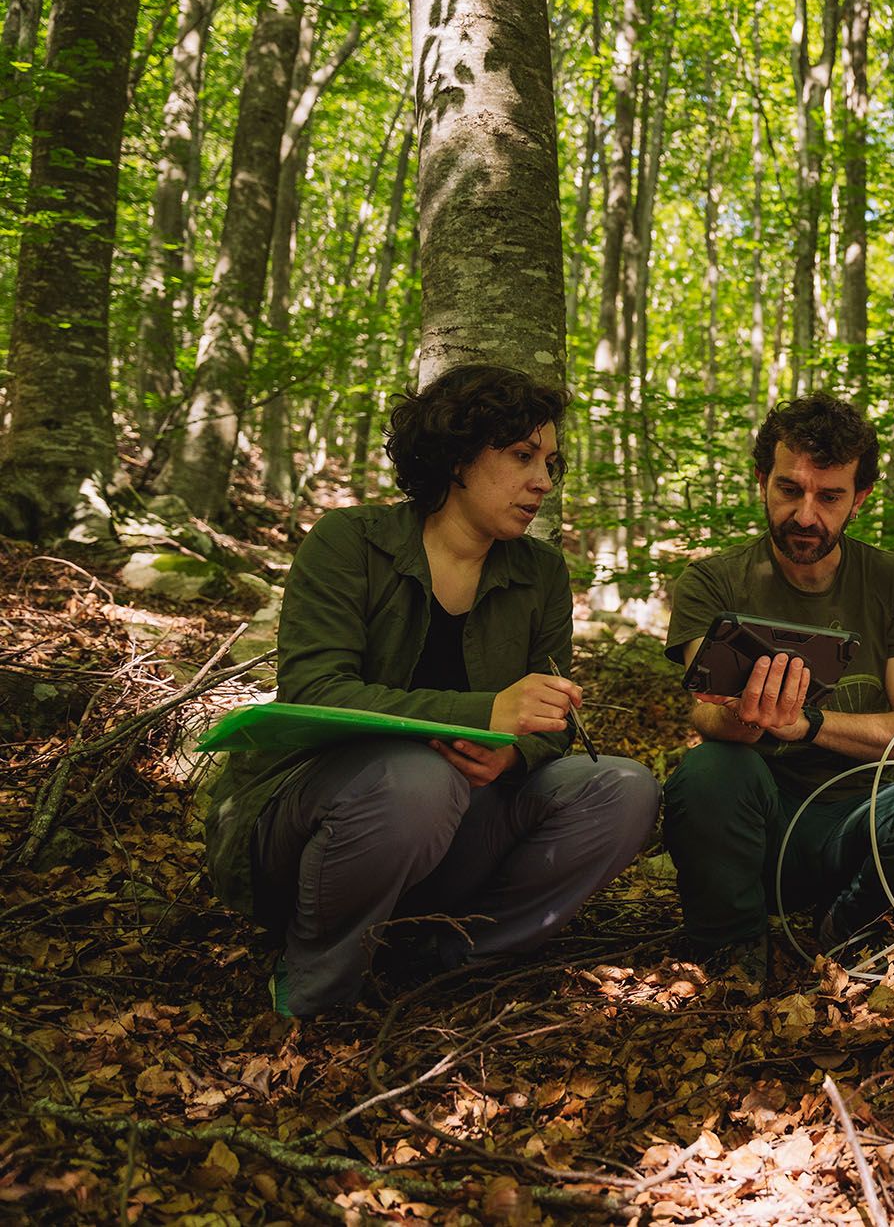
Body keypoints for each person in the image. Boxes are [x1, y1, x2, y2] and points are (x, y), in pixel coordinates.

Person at [204, 364, 662, 1018]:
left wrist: (514, 753)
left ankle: (445, 958)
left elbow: (552, 723)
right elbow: (314, 688)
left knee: (625, 787)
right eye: (522, 456)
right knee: (422, 778)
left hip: (455, 832)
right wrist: (484, 712)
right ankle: (317, 984)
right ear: (456, 455)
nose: (542, 481)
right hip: (308, 832)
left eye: (551, 463)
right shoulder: (350, 544)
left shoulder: (539, 572)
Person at [662, 394, 894, 983]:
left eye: (829, 497)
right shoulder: (713, 581)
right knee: (706, 773)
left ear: (859, 499)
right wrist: (744, 719)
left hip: (855, 823)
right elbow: (703, 717)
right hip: (752, 822)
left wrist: (808, 724)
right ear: (762, 482)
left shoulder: (892, 582)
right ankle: (733, 952)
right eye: (789, 490)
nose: (806, 515)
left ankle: (846, 936)